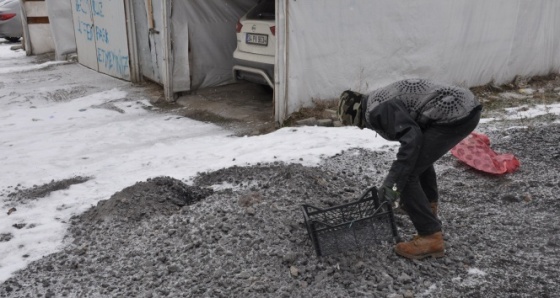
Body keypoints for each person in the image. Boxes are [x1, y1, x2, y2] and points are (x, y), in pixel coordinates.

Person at [337, 78, 482, 260]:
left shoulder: (377, 111)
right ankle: (428, 209)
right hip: (466, 107)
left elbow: (411, 141)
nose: (361, 128)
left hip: (455, 114)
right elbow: (416, 138)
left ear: (356, 113)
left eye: (356, 124)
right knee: (417, 163)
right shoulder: (377, 100)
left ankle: (430, 237)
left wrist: (392, 184)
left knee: (406, 176)